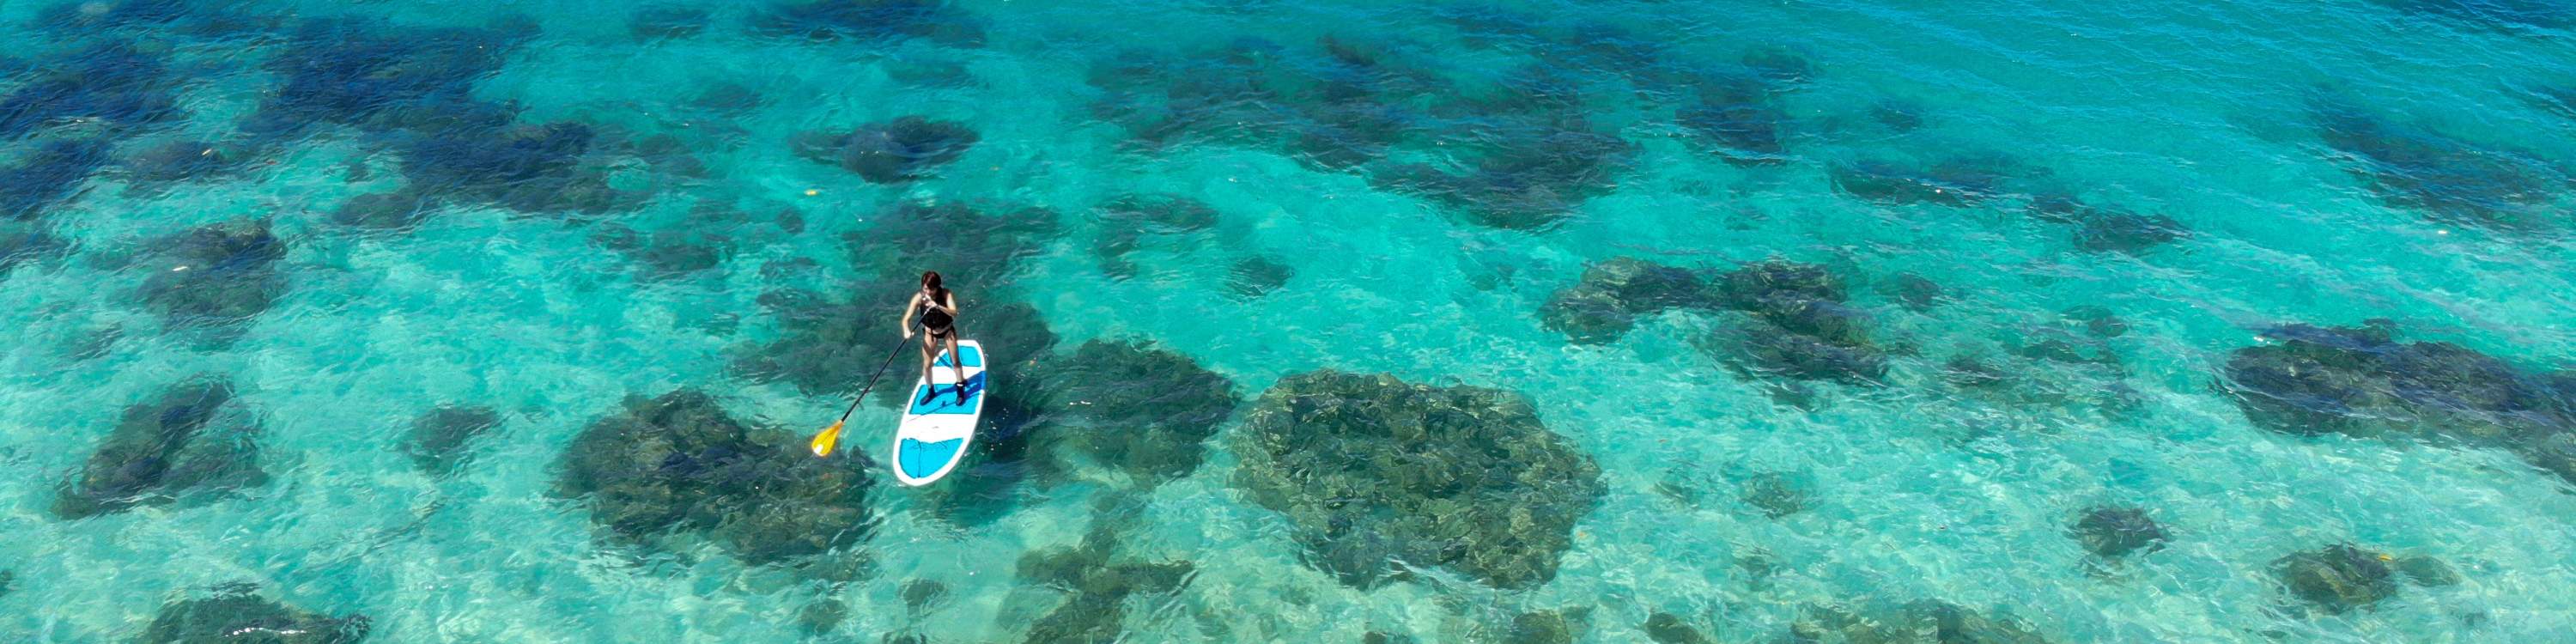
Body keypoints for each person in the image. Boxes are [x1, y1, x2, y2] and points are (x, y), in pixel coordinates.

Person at [901, 270, 969, 404]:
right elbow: (906, 319)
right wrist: (906, 331)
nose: (926, 291)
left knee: (955, 361)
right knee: (927, 364)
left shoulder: (946, 294)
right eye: (924, 288)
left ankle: (960, 390)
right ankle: (931, 391)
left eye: (930, 289)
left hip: (948, 332)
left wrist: (937, 306)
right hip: (930, 334)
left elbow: (954, 312)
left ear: (936, 287)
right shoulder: (919, 297)